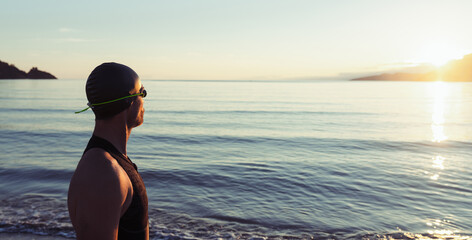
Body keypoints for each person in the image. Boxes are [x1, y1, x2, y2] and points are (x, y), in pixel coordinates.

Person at [68, 62, 149, 240]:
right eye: (142, 92)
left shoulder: (109, 164)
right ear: (129, 100)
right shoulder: (103, 173)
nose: (144, 99)